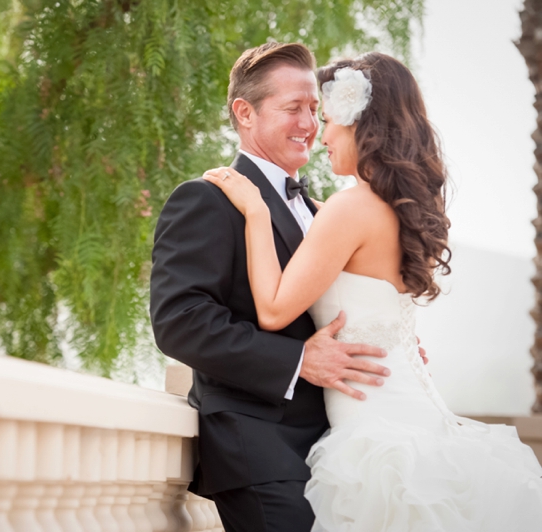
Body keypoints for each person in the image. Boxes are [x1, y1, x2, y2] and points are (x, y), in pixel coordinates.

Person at [202, 52, 542, 531]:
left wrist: (257, 212)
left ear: (360, 122)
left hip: (377, 434)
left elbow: (276, 311)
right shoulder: (388, 208)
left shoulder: (349, 210)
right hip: (410, 410)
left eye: (327, 120)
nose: (320, 135)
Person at [150, 42, 406, 531]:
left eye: (315, 109)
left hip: (337, 447)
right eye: (293, 108)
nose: (310, 124)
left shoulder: (322, 211)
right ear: (244, 113)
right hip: (259, 450)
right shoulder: (205, 200)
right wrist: (297, 361)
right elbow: (179, 322)